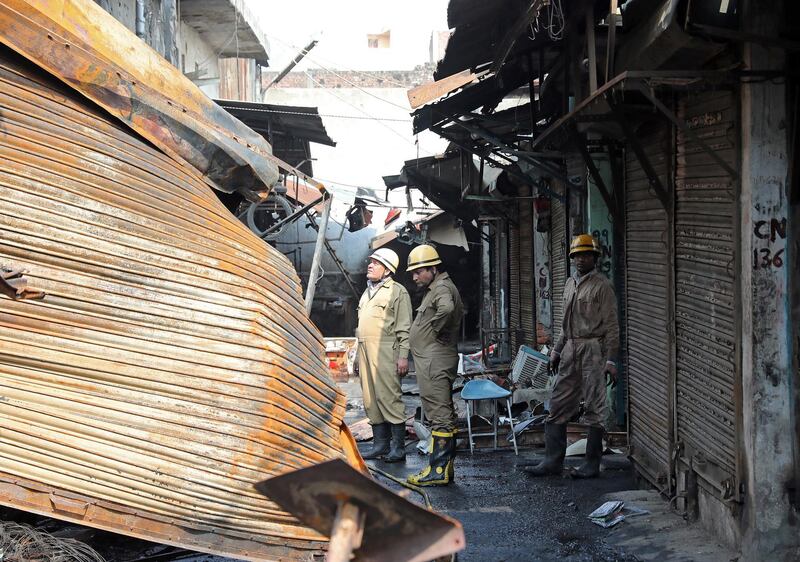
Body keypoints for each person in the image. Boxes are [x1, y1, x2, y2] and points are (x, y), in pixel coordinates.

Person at [524, 234, 619, 479]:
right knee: (558, 403)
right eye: (576, 255)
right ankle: (552, 461)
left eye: (586, 255)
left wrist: (611, 360)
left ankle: (591, 463)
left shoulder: (602, 286)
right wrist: (556, 351)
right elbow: (565, 325)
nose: (580, 259)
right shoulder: (569, 284)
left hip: (593, 350)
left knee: (595, 406)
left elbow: (612, 326)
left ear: (594, 258)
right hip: (569, 350)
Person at [405, 244, 463, 486]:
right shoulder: (436, 287)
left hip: (435, 361)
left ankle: (438, 470)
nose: (415, 276)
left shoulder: (441, 288)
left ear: (433, 268)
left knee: (440, 416)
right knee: (440, 414)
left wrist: (435, 329)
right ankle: (442, 469)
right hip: (432, 360)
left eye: (419, 272)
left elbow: (447, 309)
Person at [356, 247, 413, 462]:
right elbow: (361, 326)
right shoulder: (367, 291)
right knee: (371, 399)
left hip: (386, 350)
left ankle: (398, 448)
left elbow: (404, 327)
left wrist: (403, 356)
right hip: (364, 350)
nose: (370, 265)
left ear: (388, 270)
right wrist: (355, 355)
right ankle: (380, 445)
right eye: (370, 261)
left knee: (389, 397)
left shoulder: (397, 292)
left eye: (376, 263)